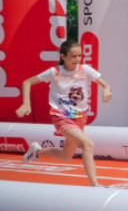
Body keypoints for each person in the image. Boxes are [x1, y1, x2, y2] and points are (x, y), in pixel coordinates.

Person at [17, 39, 113, 187]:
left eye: (79, 56)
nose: (77, 59)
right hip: (61, 117)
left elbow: (106, 84)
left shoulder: (85, 70)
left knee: (65, 156)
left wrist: (106, 90)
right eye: (73, 56)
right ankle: (95, 186)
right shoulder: (54, 72)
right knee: (87, 144)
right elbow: (27, 82)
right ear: (63, 56)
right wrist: (26, 103)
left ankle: (37, 152)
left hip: (80, 118)